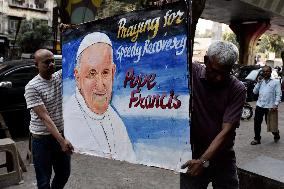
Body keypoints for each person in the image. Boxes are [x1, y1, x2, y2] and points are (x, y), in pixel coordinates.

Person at [181, 41, 246, 189]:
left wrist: (203, 161)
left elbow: (227, 130)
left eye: (225, 73)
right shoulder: (190, 72)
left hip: (223, 158)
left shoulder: (237, 88)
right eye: (214, 71)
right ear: (206, 61)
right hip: (192, 156)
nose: (219, 78)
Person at [64, 32, 136, 163]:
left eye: (105, 72)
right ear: (78, 77)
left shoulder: (115, 119)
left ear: (113, 72)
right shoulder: (70, 118)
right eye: (92, 73)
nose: (100, 85)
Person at [24, 49, 73, 189]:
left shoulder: (58, 77)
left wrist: (67, 29)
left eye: (53, 61)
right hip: (42, 140)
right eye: (47, 62)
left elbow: (74, 59)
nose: (51, 64)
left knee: (64, 174)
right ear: (36, 65)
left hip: (60, 135)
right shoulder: (32, 87)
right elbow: (45, 118)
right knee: (44, 180)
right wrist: (62, 141)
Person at [250, 66, 281, 145]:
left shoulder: (276, 82)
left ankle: (276, 133)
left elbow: (278, 94)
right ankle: (257, 139)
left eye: (267, 71)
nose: (265, 73)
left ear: (270, 72)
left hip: (270, 107)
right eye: (264, 71)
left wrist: (276, 104)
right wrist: (258, 82)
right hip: (259, 105)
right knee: (257, 123)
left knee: (270, 124)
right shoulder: (261, 81)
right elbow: (255, 92)